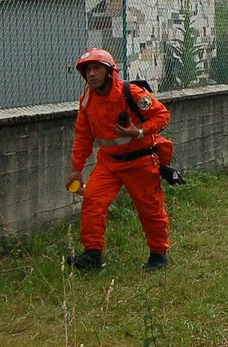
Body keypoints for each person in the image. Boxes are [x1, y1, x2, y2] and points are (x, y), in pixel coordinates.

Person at [69, 48, 174, 272]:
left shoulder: (131, 92)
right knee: (92, 201)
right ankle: (92, 255)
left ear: (109, 71)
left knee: (150, 209)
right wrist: (77, 169)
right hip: (109, 163)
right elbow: (83, 135)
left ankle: (158, 254)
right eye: (88, 70)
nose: (92, 74)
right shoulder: (87, 99)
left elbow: (162, 115)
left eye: (96, 68)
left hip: (140, 161)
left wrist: (138, 132)